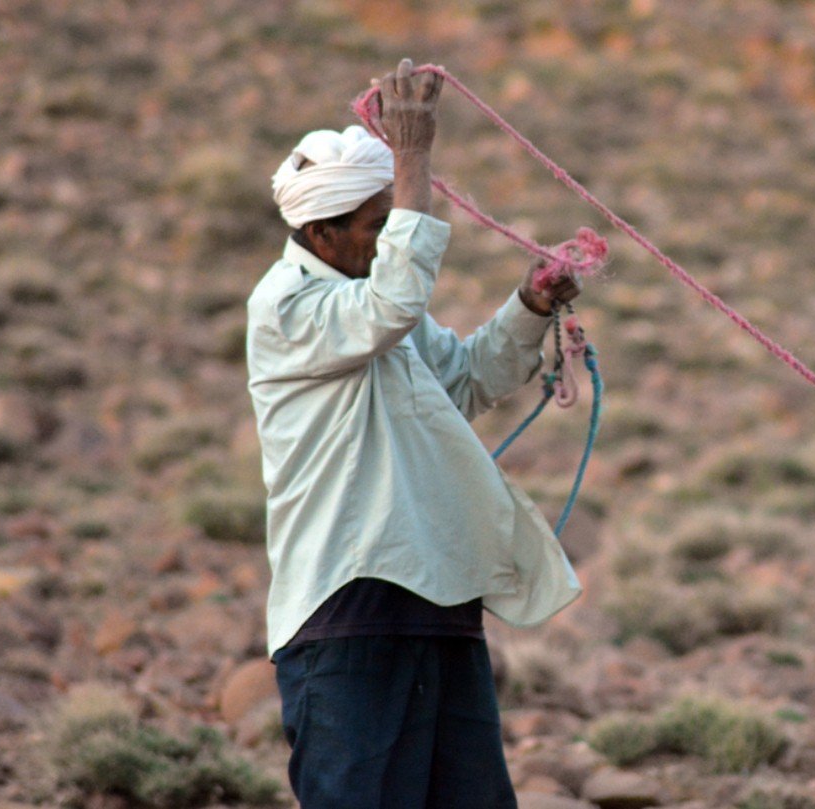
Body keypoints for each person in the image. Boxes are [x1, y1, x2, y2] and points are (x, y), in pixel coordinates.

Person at [245, 58, 583, 808]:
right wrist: (413, 154)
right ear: (321, 232)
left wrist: (530, 305)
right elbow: (396, 300)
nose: (385, 241)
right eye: (376, 227)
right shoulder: (287, 306)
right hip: (347, 613)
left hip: (440, 598)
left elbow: (464, 381)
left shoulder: (374, 304)